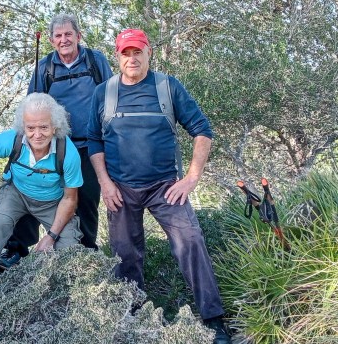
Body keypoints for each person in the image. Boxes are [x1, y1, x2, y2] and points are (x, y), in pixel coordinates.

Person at [86, 29, 231, 344]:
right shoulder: (104, 92)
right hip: (120, 188)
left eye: (137, 52)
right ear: (117, 56)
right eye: (126, 53)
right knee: (124, 254)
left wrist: (191, 178)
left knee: (190, 240)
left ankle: (214, 319)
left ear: (148, 52)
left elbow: (202, 130)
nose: (132, 58)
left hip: (165, 187)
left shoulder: (168, 87)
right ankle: (134, 318)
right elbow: (94, 140)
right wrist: (105, 183)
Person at [4, 13, 112, 263]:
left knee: (87, 197)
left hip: (89, 145)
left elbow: (111, 97)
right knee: (32, 188)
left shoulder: (96, 60)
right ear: (52, 40)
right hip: (53, 144)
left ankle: (85, 252)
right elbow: (32, 105)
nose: (64, 40)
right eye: (58, 36)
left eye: (68, 34)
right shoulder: (45, 67)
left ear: (78, 36)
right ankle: (17, 249)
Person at [0, 93, 83, 299]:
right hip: (16, 194)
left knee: (68, 245)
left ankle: (59, 300)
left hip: (53, 201)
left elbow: (70, 199)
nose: (37, 134)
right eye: (31, 128)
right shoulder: (14, 140)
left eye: (44, 127)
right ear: (23, 127)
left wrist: (51, 236)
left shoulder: (68, 153)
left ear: (55, 126)